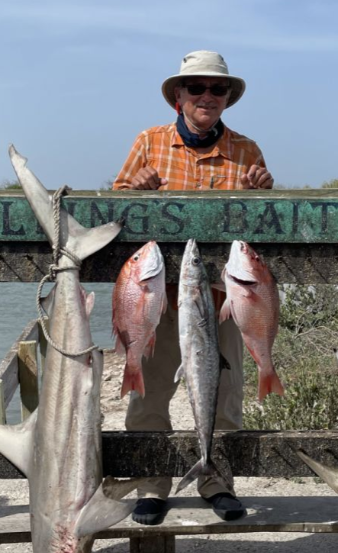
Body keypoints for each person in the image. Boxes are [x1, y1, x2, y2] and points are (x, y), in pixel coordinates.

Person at [112, 50, 274, 525]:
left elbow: (264, 224)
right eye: (197, 88)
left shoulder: (247, 151)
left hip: (226, 299)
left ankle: (216, 479)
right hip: (159, 294)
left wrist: (266, 191)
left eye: (217, 89)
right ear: (178, 96)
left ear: (227, 98)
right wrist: (133, 189)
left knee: (225, 389)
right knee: (149, 388)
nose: (207, 96)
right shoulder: (149, 142)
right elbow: (117, 211)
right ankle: (151, 483)